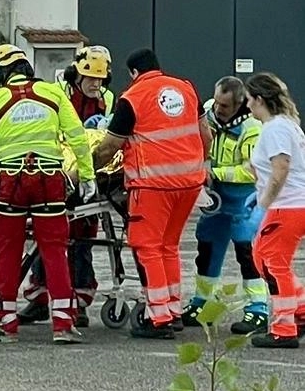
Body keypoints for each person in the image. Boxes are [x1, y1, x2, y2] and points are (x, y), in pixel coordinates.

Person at [0, 44, 95, 344]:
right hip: (49, 179)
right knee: (54, 249)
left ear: (0, 74)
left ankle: (6, 324)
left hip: (11, 183)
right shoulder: (53, 95)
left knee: (8, 249)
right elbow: (77, 138)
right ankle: (63, 324)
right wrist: (88, 176)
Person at [93, 48, 212, 339]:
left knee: (148, 247)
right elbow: (206, 135)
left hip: (153, 186)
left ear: (134, 73)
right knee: (168, 246)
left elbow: (110, 146)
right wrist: (199, 165)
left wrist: (89, 168)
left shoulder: (131, 98)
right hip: (189, 183)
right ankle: (172, 309)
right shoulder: (185, 89)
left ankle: (158, 318)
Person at [18, 45, 116, 327]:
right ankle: (39, 298)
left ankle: (79, 300)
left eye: (100, 80)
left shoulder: (107, 99)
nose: (95, 85)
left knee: (81, 240)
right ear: (76, 75)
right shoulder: (57, 94)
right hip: (59, 168)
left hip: (90, 173)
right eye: (90, 79)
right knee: (46, 238)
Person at [181, 76, 268, 335]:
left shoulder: (252, 128)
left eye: (225, 106)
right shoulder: (209, 115)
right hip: (217, 200)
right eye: (217, 103)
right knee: (206, 249)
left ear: (240, 103)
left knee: (247, 253)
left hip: (245, 200)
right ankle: (202, 302)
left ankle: (258, 309)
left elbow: (252, 171)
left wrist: (215, 173)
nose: (218, 109)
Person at [245, 73, 305, 349]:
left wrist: (264, 204)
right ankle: (299, 310)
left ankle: (284, 327)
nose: (247, 106)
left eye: (249, 100)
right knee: (261, 257)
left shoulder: (275, 129)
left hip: (286, 206)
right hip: (290, 205)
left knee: (272, 264)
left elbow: (281, 168)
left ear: (260, 99)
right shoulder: (286, 125)